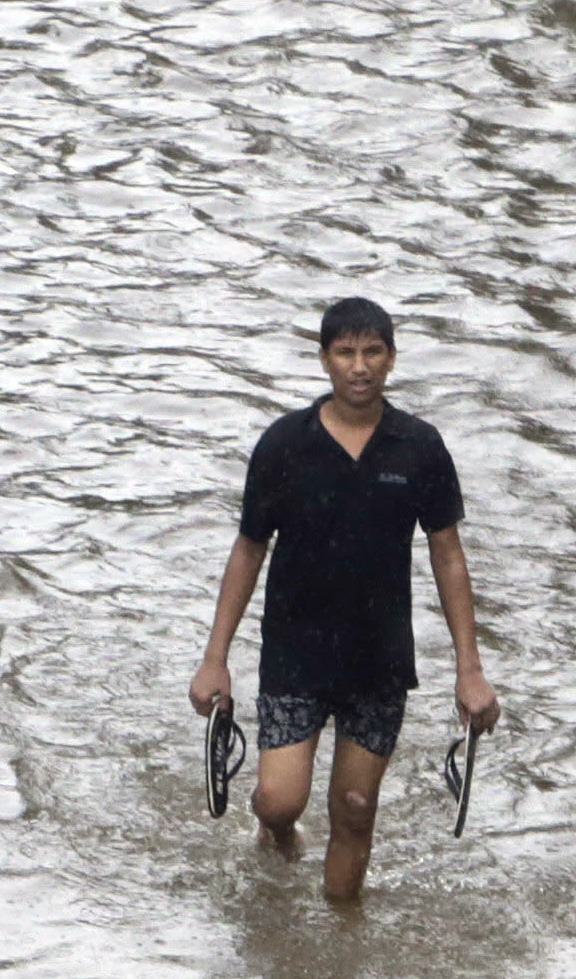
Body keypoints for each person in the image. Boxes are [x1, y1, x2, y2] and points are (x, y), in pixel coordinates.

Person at [187, 298, 499, 904]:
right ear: (325, 360)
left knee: (355, 807)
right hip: (294, 652)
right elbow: (249, 549)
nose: (360, 367)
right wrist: (215, 657)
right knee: (280, 799)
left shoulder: (419, 447)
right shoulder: (284, 445)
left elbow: (448, 555)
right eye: (346, 353)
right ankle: (277, 836)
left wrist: (470, 671)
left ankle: (341, 930)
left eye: (373, 352)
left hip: (378, 661)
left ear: (391, 359)